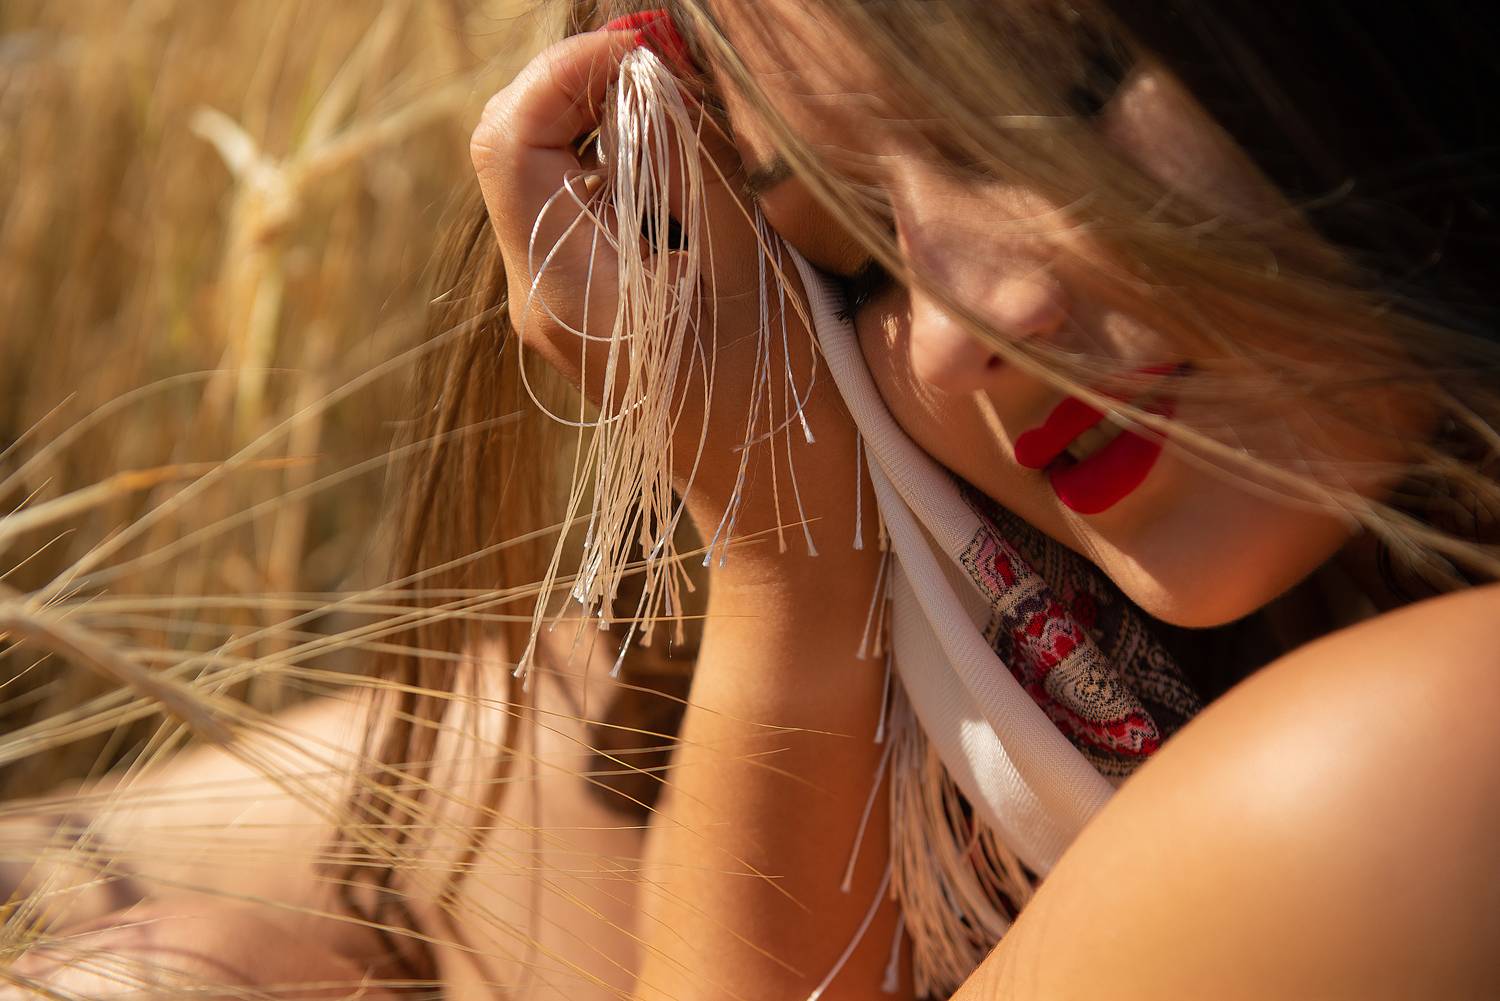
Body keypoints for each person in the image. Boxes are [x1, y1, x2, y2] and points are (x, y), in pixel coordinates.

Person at [6, 1, 1499, 998]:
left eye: (1069, 98)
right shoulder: (1036, 707)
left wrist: (788, 572)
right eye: (855, 257)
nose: (956, 328)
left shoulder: (1420, 754)